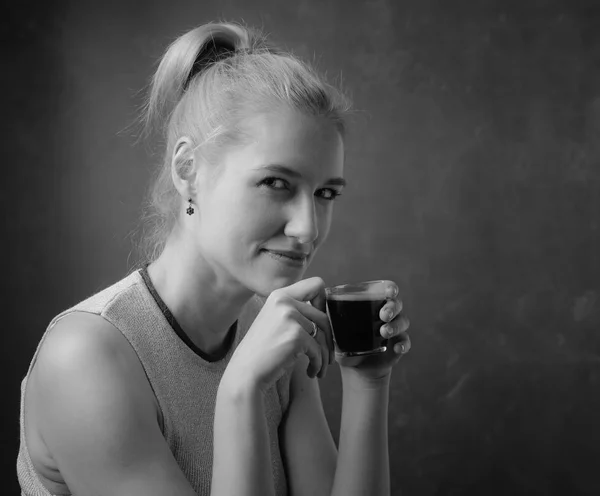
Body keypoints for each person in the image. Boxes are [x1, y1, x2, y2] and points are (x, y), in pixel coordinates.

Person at [16, 20, 412, 496]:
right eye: (276, 183)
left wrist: (369, 381)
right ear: (188, 171)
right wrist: (241, 390)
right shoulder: (85, 358)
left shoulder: (276, 333)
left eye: (325, 192)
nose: (308, 227)